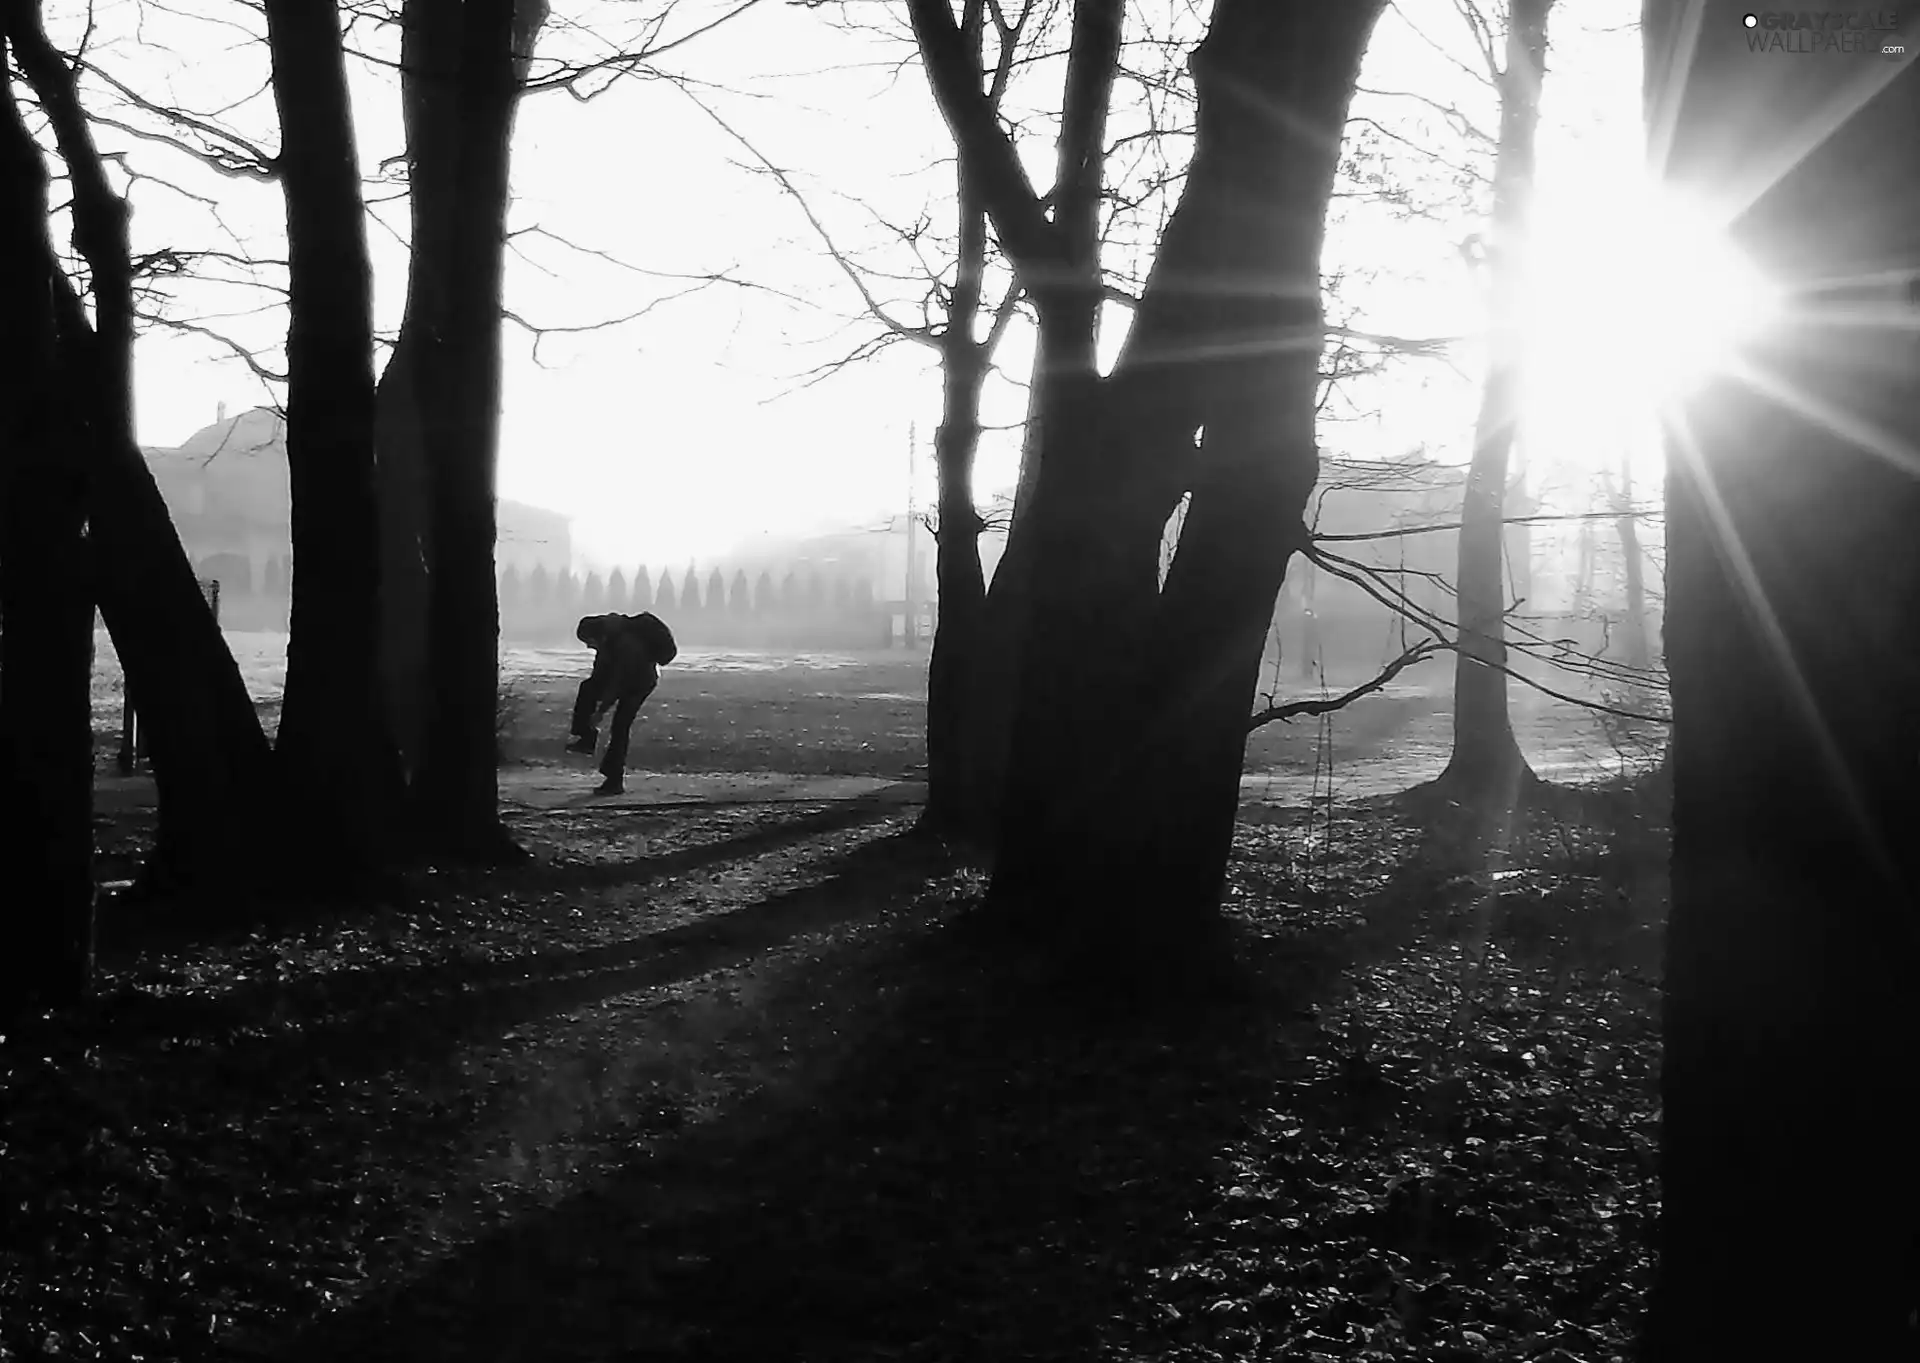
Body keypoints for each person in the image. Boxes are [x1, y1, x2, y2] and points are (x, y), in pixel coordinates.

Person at [566, 611, 675, 795]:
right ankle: (586, 738)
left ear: (599, 636)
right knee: (587, 687)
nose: (588, 646)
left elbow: (618, 682)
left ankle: (614, 779)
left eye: (589, 641)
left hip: (640, 682)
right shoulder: (609, 641)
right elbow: (600, 674)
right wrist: (590, 713)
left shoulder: (626, 645)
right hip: (627, 676)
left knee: (620, 726)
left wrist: (600, 711)